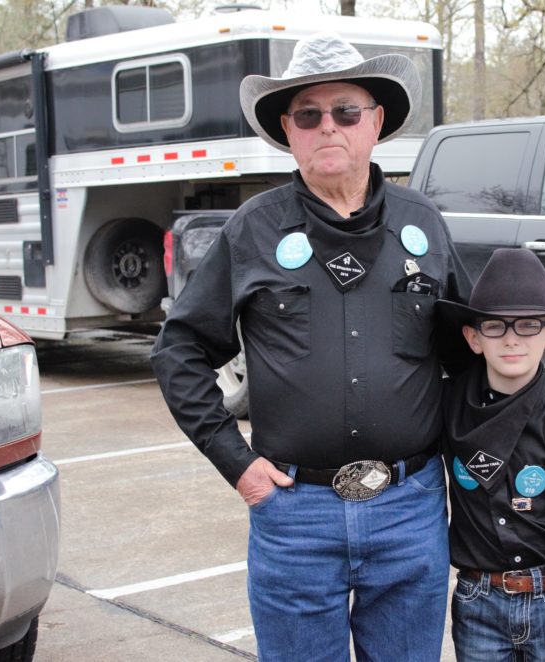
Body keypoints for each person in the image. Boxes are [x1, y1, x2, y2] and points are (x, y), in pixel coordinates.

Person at [150, 31, 470, 661]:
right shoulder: (253, 230)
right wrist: (235, 462)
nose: (329, 127)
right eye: (308, 115)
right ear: (288, 133)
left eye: (346, 112)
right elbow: (179, 349)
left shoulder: (423, 224)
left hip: (409, 511)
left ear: (374, 124)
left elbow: (468, 352)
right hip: (295, 517)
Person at [436, 248, 545, 662]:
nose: (512, 338)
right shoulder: (446, 408)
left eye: (529, 325)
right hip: (478, 599)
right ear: (473, 338)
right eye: (495, 326)